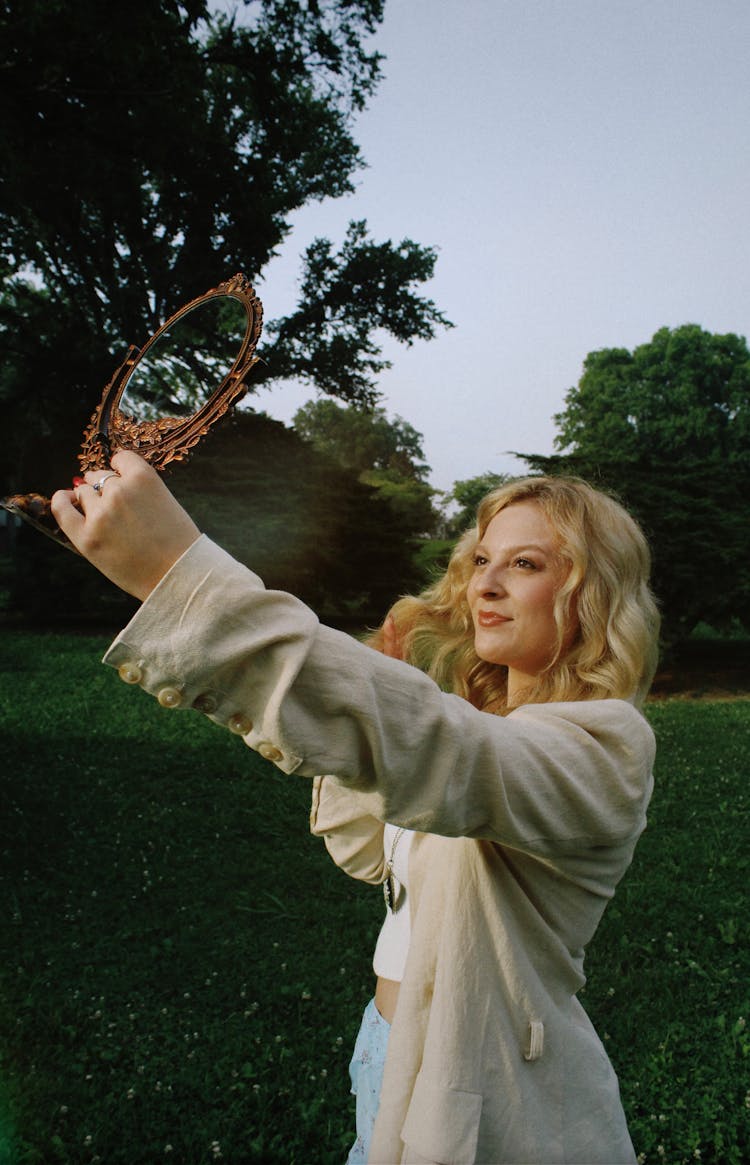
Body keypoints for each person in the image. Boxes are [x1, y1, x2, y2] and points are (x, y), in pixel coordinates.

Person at [52, 453, 660, 1165]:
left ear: (592, 591)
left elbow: (440, 749)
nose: (485, 585)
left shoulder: (601, 749)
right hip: (385, 1046)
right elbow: (368, 851)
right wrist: (383, 710)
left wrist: (176, 576)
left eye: (524, 564)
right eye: (482, 559)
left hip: (481, 1086)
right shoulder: (484, 733)